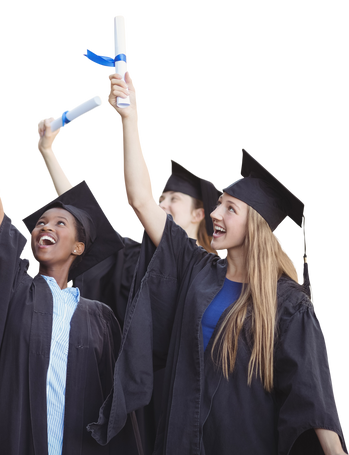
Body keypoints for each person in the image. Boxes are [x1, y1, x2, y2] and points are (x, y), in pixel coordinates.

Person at [91, 69, 347, 454]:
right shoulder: (196, 267)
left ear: (258, 225)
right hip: (179, 440)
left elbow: (313, 397)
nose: (215, 214)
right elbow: (140, 201)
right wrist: (130, 119)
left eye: (231, 208)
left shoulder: (289, 305)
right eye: (218, 205)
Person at [0, 77, 141, 454]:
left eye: (60, 224)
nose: (45, 226)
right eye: (42, 223)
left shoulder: (101, 318)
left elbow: (118, 408)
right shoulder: (15, 289)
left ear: (79, 246)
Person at [35, 113, 221, 454]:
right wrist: (48, 151)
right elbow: (86, 220)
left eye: (173, 200)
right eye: (160, 198)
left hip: (186, 397)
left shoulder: (216, 272)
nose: (161, 204)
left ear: (199, 214)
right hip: (126, 393)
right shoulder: (133, 258)